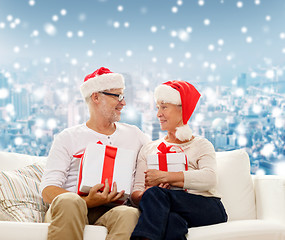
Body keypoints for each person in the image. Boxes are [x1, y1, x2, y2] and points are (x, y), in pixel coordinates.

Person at [40, 67, 150, 240]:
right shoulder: (68, 137)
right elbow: (47, 190)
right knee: (70, 201)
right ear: (96, 97)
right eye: (118, 96)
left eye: (123, 96)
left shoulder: (135, 135)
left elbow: (153, 159)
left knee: (129, 214)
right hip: (70, 209)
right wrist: (86, 201)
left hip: (110, 212)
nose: (123, 103)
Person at [130, 80, 228, 240]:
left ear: (183, 109)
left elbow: (210, 178)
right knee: (172, 222)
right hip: (166, 207)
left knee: (156, 195)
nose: (158, 114)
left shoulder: (201, 144)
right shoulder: (149, 149)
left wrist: (165, 177)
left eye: (164, 107)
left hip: (207, 207)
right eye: (158, 108)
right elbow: (136, 193)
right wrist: (144, 196)